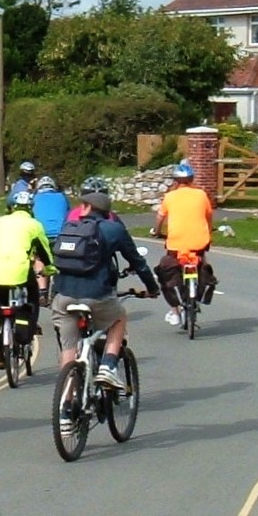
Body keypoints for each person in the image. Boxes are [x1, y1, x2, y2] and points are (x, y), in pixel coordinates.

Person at [51, 191, 159, 396]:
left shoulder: (68, 228)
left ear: (86, 208)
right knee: (119, 318)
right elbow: (138, 262)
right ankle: (108, 366)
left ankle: (67, 403)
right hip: (97, 295)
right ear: (107, 213)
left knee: (69, 351)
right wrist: (152, 288)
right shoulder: (114, 229)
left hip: (63, 297)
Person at [0, 189, 54, 369]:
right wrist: (50, 268)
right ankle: (30, 327)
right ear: (30, 208)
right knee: (33, 298)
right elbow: (43, 250)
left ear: (12, 207)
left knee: (0, 304)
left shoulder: (0, 222)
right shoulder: (34, 225)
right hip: (22, 271)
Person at [150, 162, 215, 327]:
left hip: (176, 245)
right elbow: (208, 216)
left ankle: (175, 311)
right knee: (202, 263)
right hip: (199, 242)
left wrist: (156, 231)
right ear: (191, 179)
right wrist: (208, 232)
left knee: (165, 273)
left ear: (176, 181)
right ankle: (197, 297)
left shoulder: (170, 196)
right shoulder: (201, 194)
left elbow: (160, 218)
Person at [31, 176, 69, 302]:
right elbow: (68, 214)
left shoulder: (34, 198)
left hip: (43, 235)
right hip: (61, 235)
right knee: (61, 260)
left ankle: (42, 291)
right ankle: (57, 288)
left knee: (39, 258)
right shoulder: (62, 197)